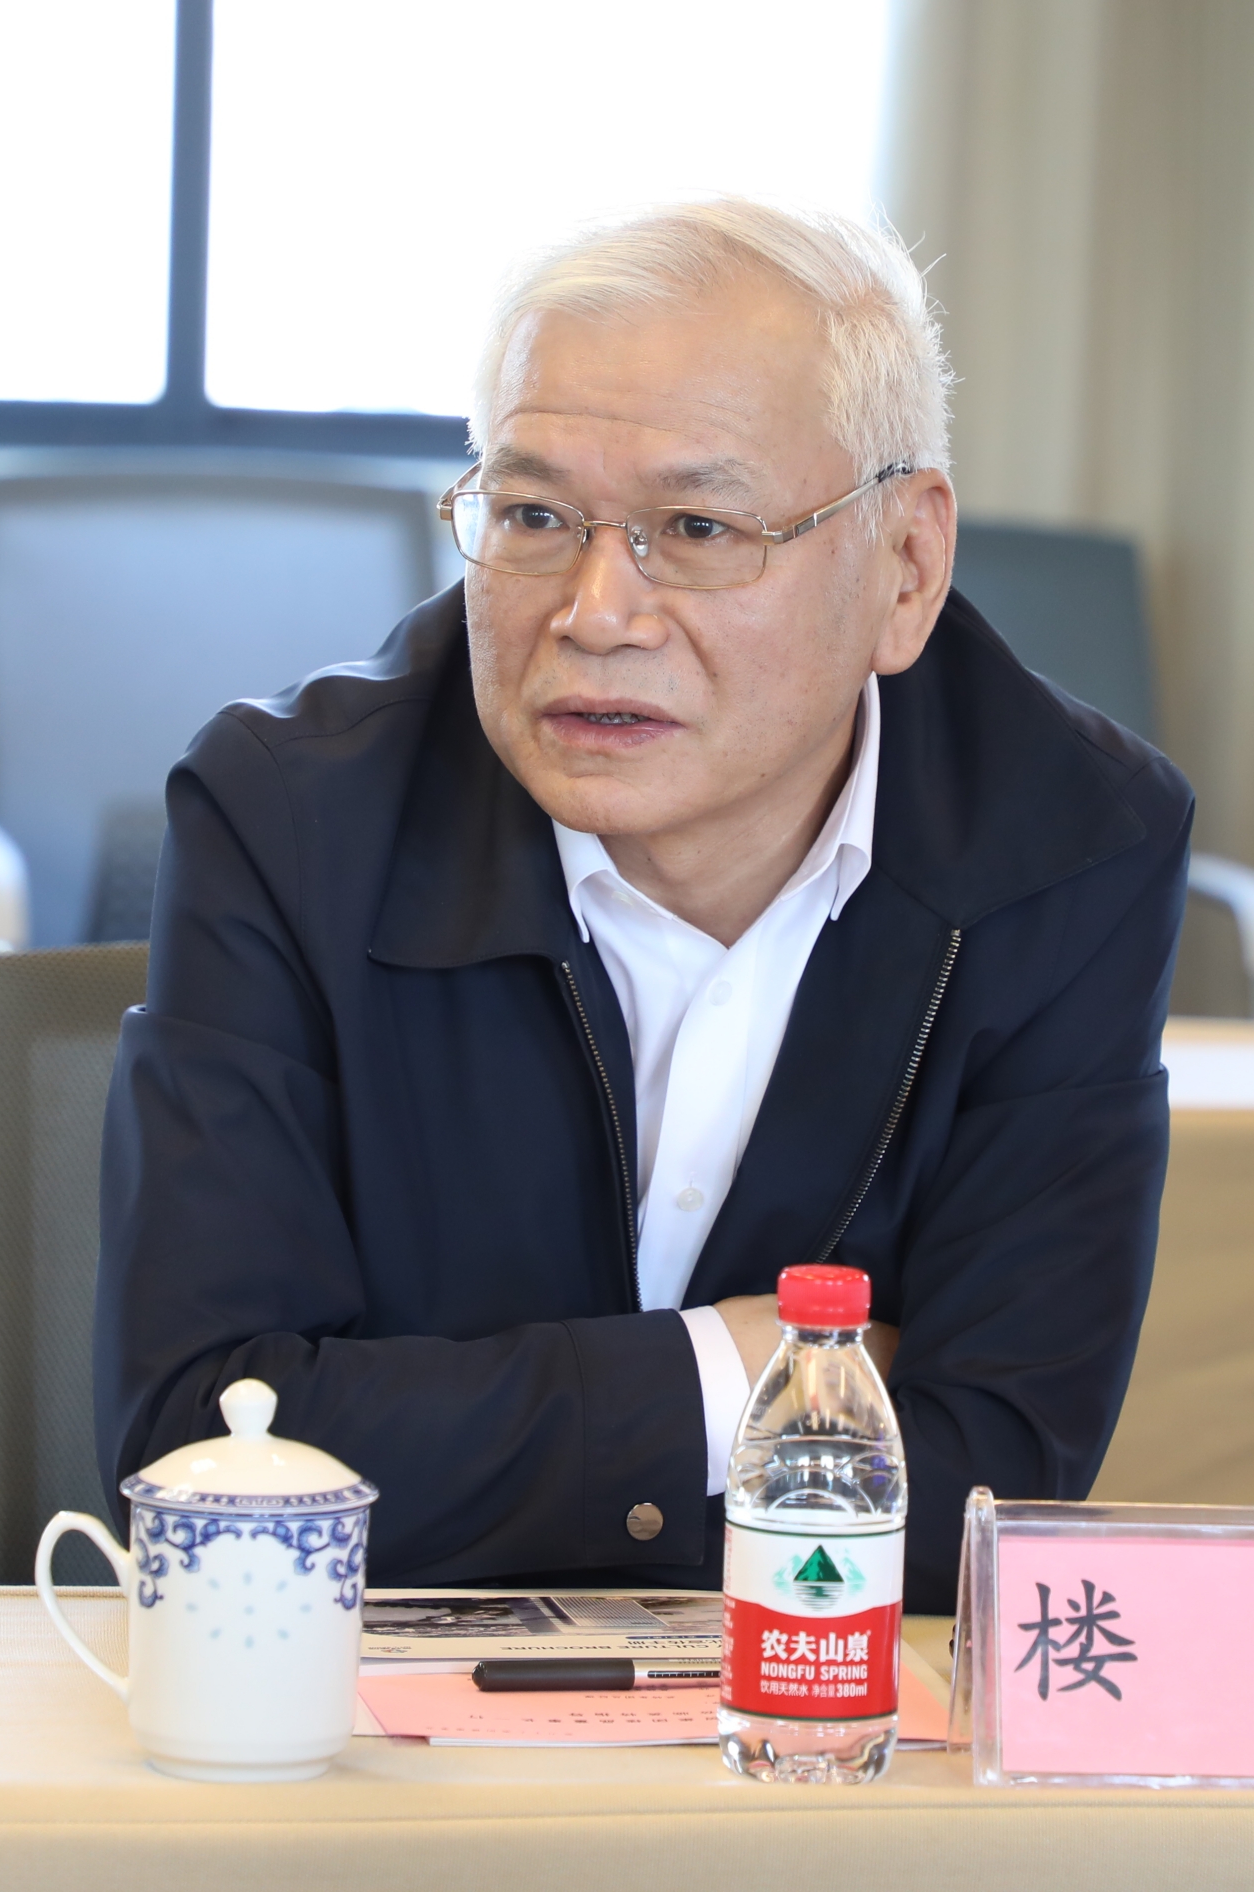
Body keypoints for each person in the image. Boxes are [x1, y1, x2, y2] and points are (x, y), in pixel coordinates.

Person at [96, 200, 1192, 1610]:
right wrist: (744, 1370)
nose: (597, 611)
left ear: (906, 568)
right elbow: (202, 1457)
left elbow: (989, 1489)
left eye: (696, 526)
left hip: (817, 1716)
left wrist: (442, 1442)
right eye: (534, 517)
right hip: (354, 1702)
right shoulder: (292, 817)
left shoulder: (1070, 844)